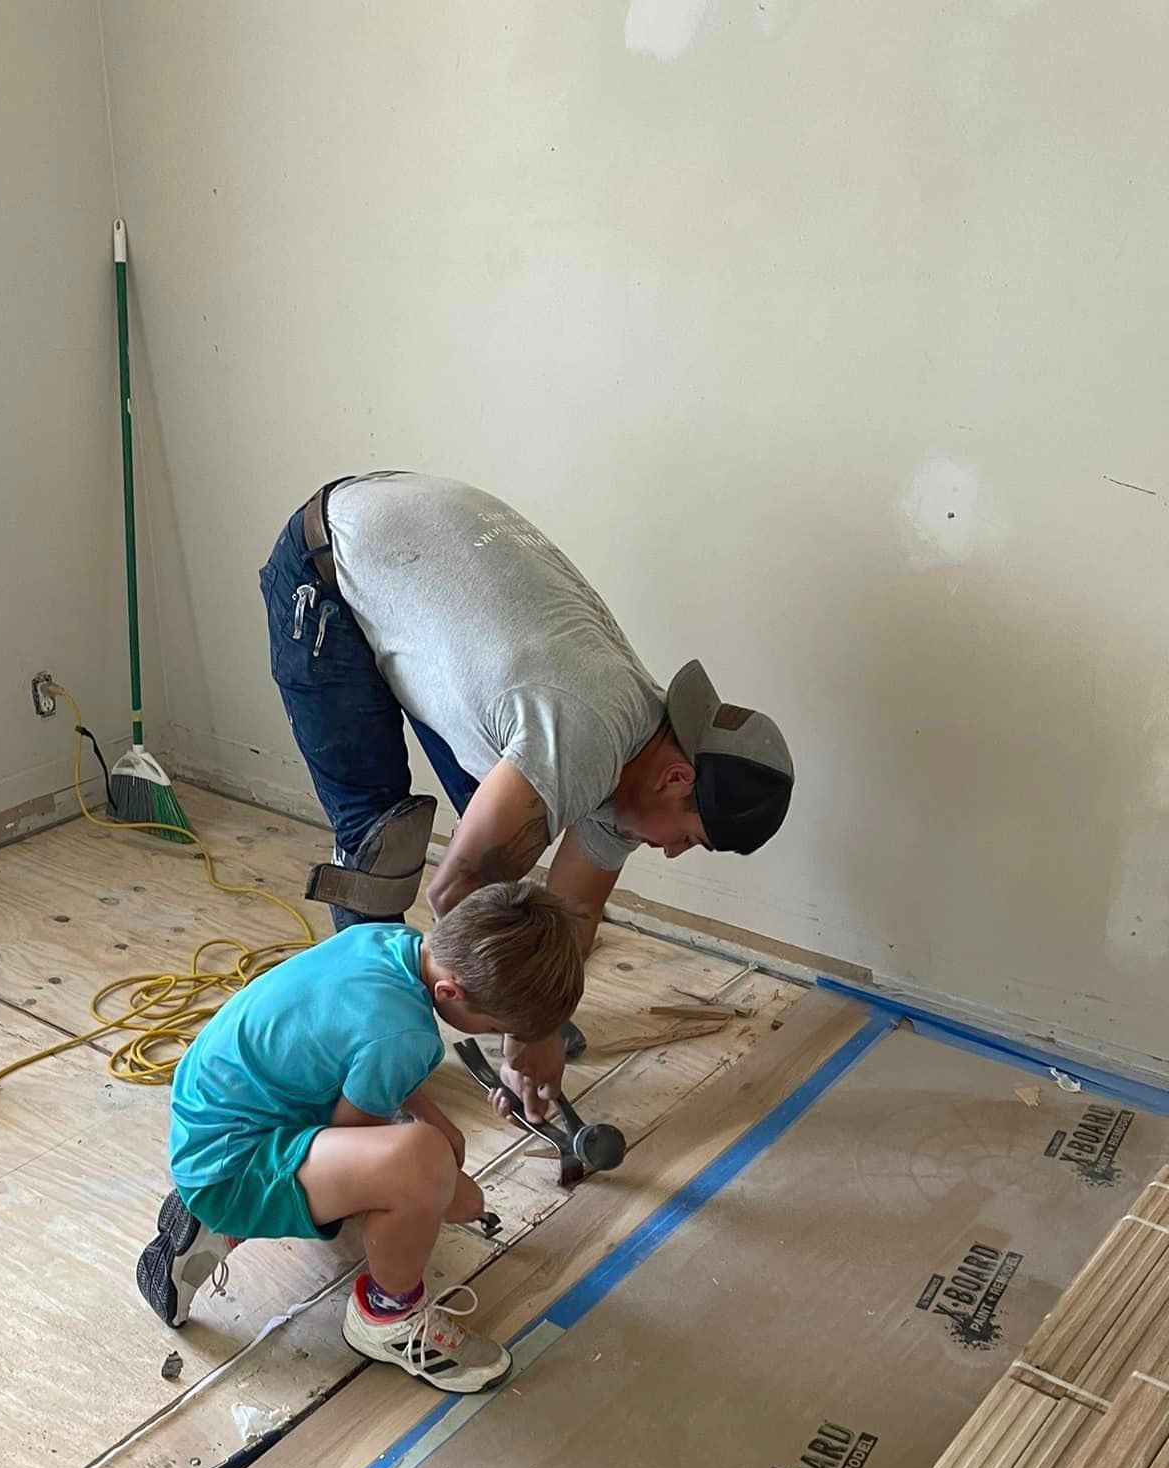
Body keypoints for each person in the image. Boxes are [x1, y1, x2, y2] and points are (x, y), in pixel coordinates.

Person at [259, 471, 795, 1119]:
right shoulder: (584, 732)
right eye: (689, 837)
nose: (673, 852)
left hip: (421, 566)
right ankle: (370, 1058)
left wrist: (535, 1019)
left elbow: (571, 916)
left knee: (501, 876)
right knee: (383, 845)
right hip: (333, 567)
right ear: (678, 779)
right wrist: (527, 1029)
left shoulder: (645, 757)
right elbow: (453, 892)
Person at [136, 881, 584, 1394]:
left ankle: (225, 1215)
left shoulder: (387, 940)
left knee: (428, 1152)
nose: (496, 1038)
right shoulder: (405, 1035)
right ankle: (387, 1318)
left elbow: (358, 1055)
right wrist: (449, 1190)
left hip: (216, 1116)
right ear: (451, 995)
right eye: (495, 1026)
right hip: (230, 1165)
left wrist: (432, 1122)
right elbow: (358, 1130)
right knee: (423, 1167)